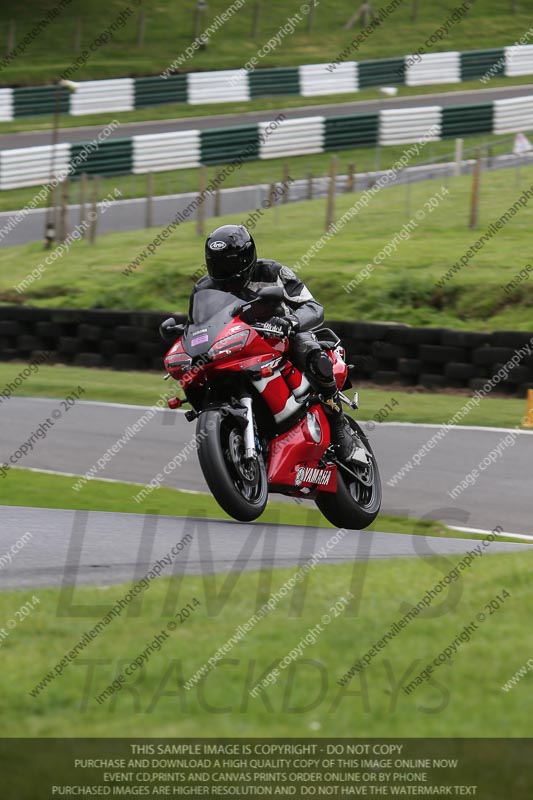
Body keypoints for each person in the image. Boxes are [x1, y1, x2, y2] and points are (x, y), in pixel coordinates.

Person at [188, 223, 366, 463]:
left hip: (280, 337)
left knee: (313, 355)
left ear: (245, 259)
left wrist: (291, 321)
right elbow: (198, 324)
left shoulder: (273, 272)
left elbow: (313, 307)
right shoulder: (203, 288)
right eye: (216, 264)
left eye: (229, 263)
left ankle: (339, 429)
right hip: (235, 345)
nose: (223, 271)